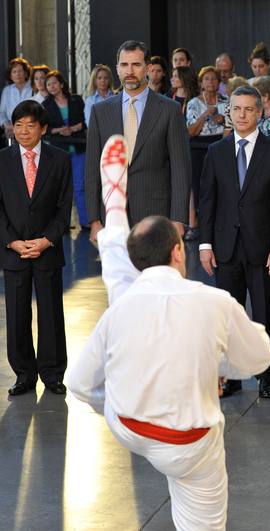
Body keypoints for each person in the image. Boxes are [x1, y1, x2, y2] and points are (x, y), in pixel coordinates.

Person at [67, 134, 270, 531]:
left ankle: (114, 215)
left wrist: (116, 403)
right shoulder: (213, 301)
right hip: (188, 444)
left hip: (129, 426)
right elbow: (260, 359)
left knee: (117, 283)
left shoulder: (121, 305)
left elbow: (78, 383)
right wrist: (215, 359)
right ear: (180, 252)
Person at [198, 85, 270, 399]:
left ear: (259, 112)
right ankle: (232, 377)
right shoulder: (216, 151)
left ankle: (265, 375)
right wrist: (205, 245)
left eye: (248, 109)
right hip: (225, 248)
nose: (241, 115)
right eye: (236, 109)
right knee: (228, 316)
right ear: (230, 111)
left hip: (263, 250)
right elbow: (207, 201)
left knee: (264, 315)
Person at [85, 39, 191, 242]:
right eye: (124, 65)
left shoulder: (169, 110)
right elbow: (92, 170)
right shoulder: (100, 111)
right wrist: (94, 221)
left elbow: (180, 169)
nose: (130, 71)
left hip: (156, 215)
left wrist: (178, 219)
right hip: (111, 215)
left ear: (148, 68)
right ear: (117, 68)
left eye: (136, 64)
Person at [0, 100, 72, 396]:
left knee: (51, 313)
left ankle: (52, 373)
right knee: (17, 315)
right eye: (18, 125)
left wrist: (46, 240)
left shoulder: (60, 159)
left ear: (43, 128)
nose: (23, 131)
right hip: (13, 250)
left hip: (47, 249)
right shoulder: (2, 159)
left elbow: (64, 208)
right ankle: (24, 375)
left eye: (30, 126)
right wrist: (12, 241)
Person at [43, 70, 88, 229]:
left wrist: (73, 128)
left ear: (61, 84)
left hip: (78, 147)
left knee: (80, 186)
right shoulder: (45, 105)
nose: (52, 86)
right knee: (61, 188)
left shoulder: (77, 100)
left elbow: (86, 120)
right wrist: (59, 130)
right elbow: (44, 129)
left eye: (54, 83)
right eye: (48, 84)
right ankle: (63, 224)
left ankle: (85, 222)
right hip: (58, 150)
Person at [186, 66, 228, 222]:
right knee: (199, 184)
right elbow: (191, 132)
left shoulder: (226, 101)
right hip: (198, 147)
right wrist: (205, 115)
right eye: (207, 79)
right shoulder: (193, 103)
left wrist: (223, 120)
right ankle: (200, 219)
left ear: (219, 82)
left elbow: (233, 126)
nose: (211, 82)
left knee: (219, 183)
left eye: (214, 78)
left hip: (220, 144)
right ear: (201, 82)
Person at [0, 57, 33, 141]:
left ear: (26, 73)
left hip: (30, 130)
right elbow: (2, 112)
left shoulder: (33, 88)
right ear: (10, 76)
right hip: (12, 131)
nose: (17, 74)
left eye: (20, 71)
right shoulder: (7, 90)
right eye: (14, 72)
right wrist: (7, 125)